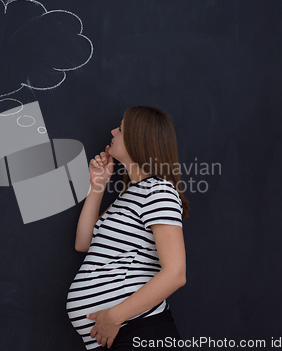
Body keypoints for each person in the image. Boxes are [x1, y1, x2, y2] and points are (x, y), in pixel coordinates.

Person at [67, 106, 190, 350]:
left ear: (138, 138)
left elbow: (175, 273)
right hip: (120, 336)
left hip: (139, 332)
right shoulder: (130, 195)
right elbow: (84, 243)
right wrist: (98, 185)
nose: (113, 131)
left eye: (121, 129)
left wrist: (114, 317)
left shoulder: (159, 191)